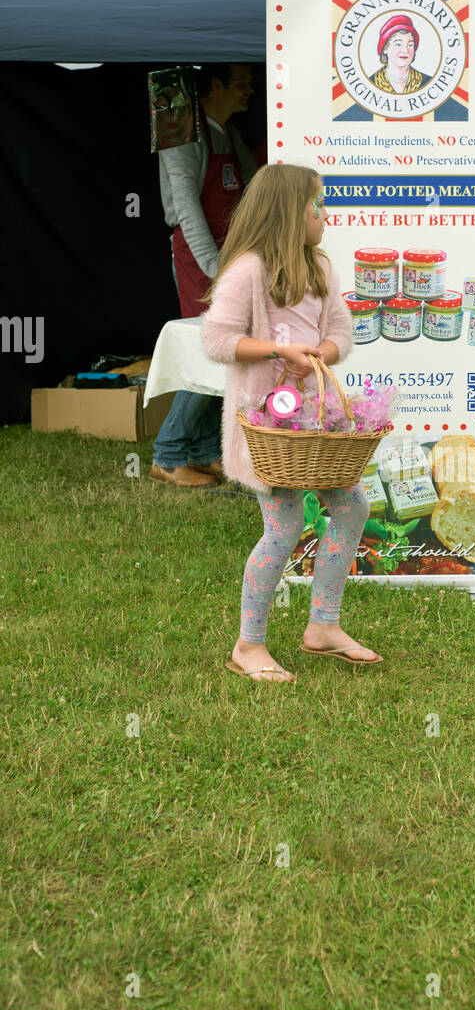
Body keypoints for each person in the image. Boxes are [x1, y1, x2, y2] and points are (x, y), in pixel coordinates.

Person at [201, 164, 381, 681]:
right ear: (286, 214)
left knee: (351, 508)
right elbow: (217, 340)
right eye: (314, 206)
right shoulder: (248, 271)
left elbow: (342, 332)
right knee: (283, 527)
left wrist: (319, 352)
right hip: (269, 430)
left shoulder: (320, 268)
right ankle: (247, 644)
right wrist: (278, 349)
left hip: (315, 426)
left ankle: (323, 625)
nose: (322, 214)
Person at [149, 64, 257, 488]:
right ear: (214, 85)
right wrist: (216, 269)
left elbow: (250, 191)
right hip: (201, 256)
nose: (251, 89)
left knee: (228, 353)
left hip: (230, 254)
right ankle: (169, 453)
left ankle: (205, 451)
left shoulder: (229, 133)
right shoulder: (182, 136)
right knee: (211, 351)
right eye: (241, 81)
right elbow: (189, 212)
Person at [371, 15, 431, 95]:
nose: (405, 50)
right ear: (385, 48)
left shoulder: (427, 82)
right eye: (398, 44)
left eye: (410, 45)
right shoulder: (372, 83)